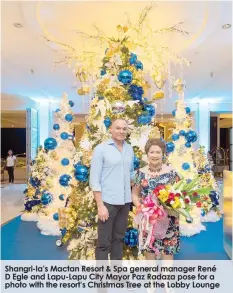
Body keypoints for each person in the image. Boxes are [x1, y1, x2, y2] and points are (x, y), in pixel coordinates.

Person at [132, 139, 180, 293]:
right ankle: (152, 281)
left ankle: (167, 282)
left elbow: (179, 193)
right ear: (147, 154)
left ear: (163, 154)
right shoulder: (140, 173)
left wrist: (173, 206)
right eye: (151, 152)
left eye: (158, 152)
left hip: (169, 219)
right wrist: (141, 207)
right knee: (150, 250)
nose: (155, 155)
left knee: (168, 250)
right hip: (148, 219)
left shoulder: (172, 172)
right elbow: (135, 194)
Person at [90, 118, 134, 261]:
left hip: (125, 202)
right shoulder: (101, 149)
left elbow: (131, 173)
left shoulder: (129, 149)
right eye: (118, 128)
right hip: (107, 202)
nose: (121, 131)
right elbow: (95, 180)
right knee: (104, 242)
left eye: (124, 129)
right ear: (111, 129)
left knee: (118, 240)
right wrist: (100, 205)